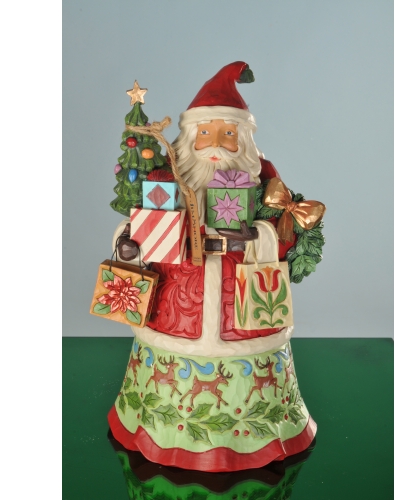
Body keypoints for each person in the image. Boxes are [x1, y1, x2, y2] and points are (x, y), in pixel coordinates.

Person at [108, 62, 316, 472]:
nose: (215, 144)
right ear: (190, 137)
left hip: (242, 299)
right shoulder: (166, 177)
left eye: (228, 133)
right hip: (177, 298)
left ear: (244, 138)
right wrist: (130, 242)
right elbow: (140, 226)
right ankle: (159, 427)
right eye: (205, 133)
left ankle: (260, 431)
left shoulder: (263, 179)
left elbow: (287, 230)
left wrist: (257, 236)